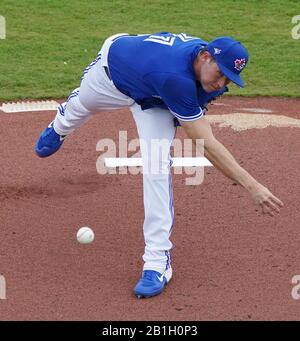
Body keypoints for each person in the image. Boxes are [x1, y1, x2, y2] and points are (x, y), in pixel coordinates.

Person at [35, 32, 284, 299]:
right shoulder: (174, 76)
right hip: (113, 76)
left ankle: (157, 262)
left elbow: (198, 100)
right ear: (204, 56)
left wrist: (190, 102)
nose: (221, 83)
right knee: (82, 105)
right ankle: (60, 125)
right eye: (220, 73)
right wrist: (252, 185)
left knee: (157, 168)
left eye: (229, 79)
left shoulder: (203, 69)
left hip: (155, 101)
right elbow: (205, 143)